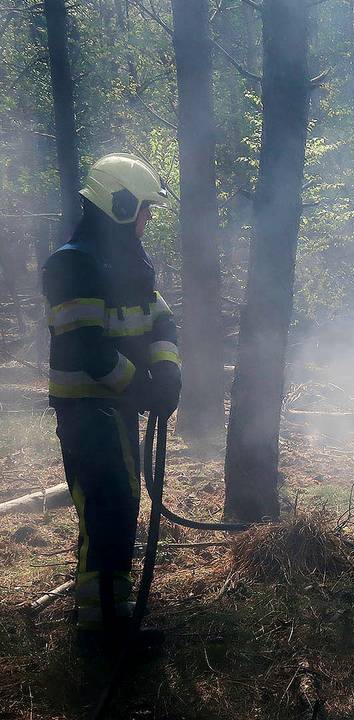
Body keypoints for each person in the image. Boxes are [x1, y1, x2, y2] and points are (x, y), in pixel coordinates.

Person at [43, 153, 182, 654]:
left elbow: (160, 318)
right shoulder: (73, 264)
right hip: (86, 412)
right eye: (145, 209)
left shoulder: (128, 260)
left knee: (120, 510)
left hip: (115, 407)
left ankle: (110, 621)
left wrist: (167, 370)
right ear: (120, 204)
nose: (148, 220)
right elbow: (86, 346)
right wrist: (138, 387)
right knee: (108, 512)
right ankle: (100, 635)